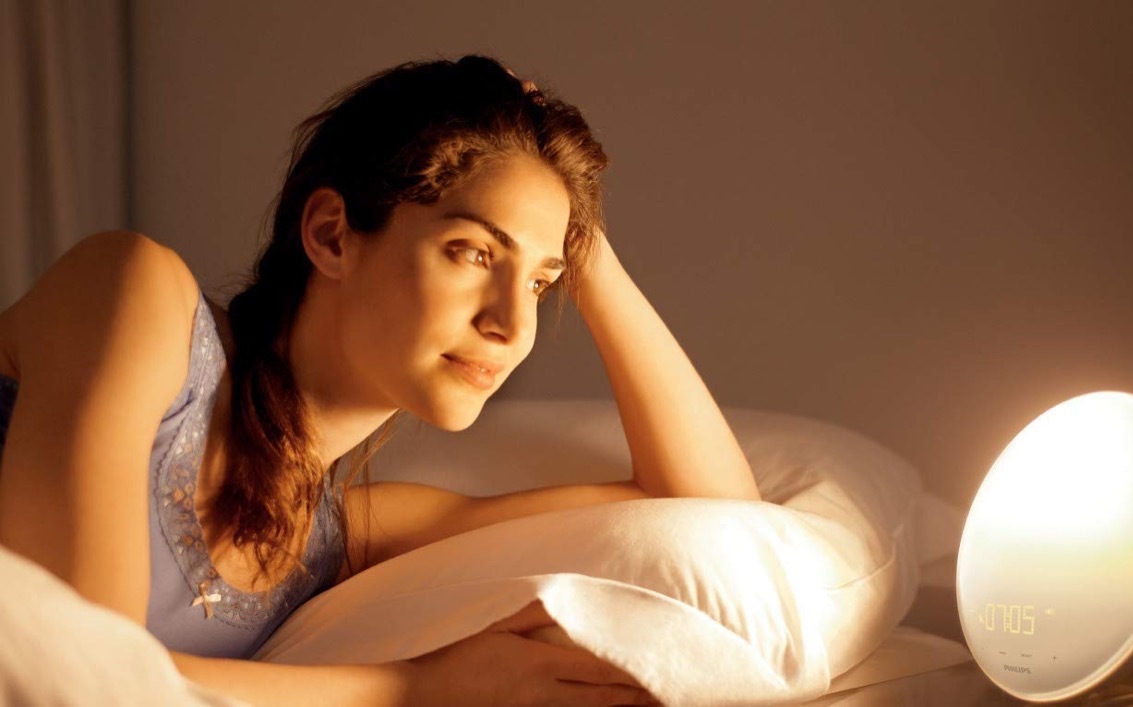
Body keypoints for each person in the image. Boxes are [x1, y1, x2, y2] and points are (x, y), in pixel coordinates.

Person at [0, 55, 760, 705]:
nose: (511, 325)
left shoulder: (336, 537)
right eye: (472, 252)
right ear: (332, 234)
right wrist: (412, 686)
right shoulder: (134, 295)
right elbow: (80, 674)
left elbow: (714, 511)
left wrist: (583, 244)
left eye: (538, 284)